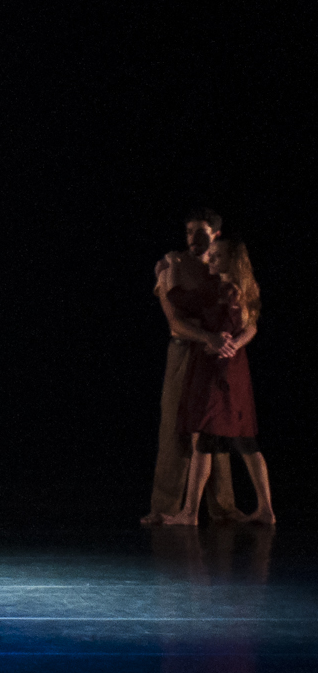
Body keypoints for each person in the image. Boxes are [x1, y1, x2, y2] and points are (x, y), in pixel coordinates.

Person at [160, 238, 274, 526]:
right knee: (244, 441)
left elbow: (176, 298)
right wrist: (234, 344)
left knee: (206, 439)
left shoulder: (219, 289)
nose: (211, 260)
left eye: (217, 256)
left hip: (217, 373)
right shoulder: (245, 288)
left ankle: (189, 513)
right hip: (235, 370)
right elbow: (252, 327)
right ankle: (265, 509)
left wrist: (171, 266)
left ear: (232, 260)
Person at [144, 211, 238, 524]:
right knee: (174, 424)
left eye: (202, 233)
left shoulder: (222, 264)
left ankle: (223, 507)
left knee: (213, 428)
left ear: (217, 235)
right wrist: (207, 334)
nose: (193, 240)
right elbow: (175, 325)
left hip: (214, 355)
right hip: (186, 352)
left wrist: (224, 340)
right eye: (188, 233)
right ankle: (166, 507)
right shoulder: (175, 263)